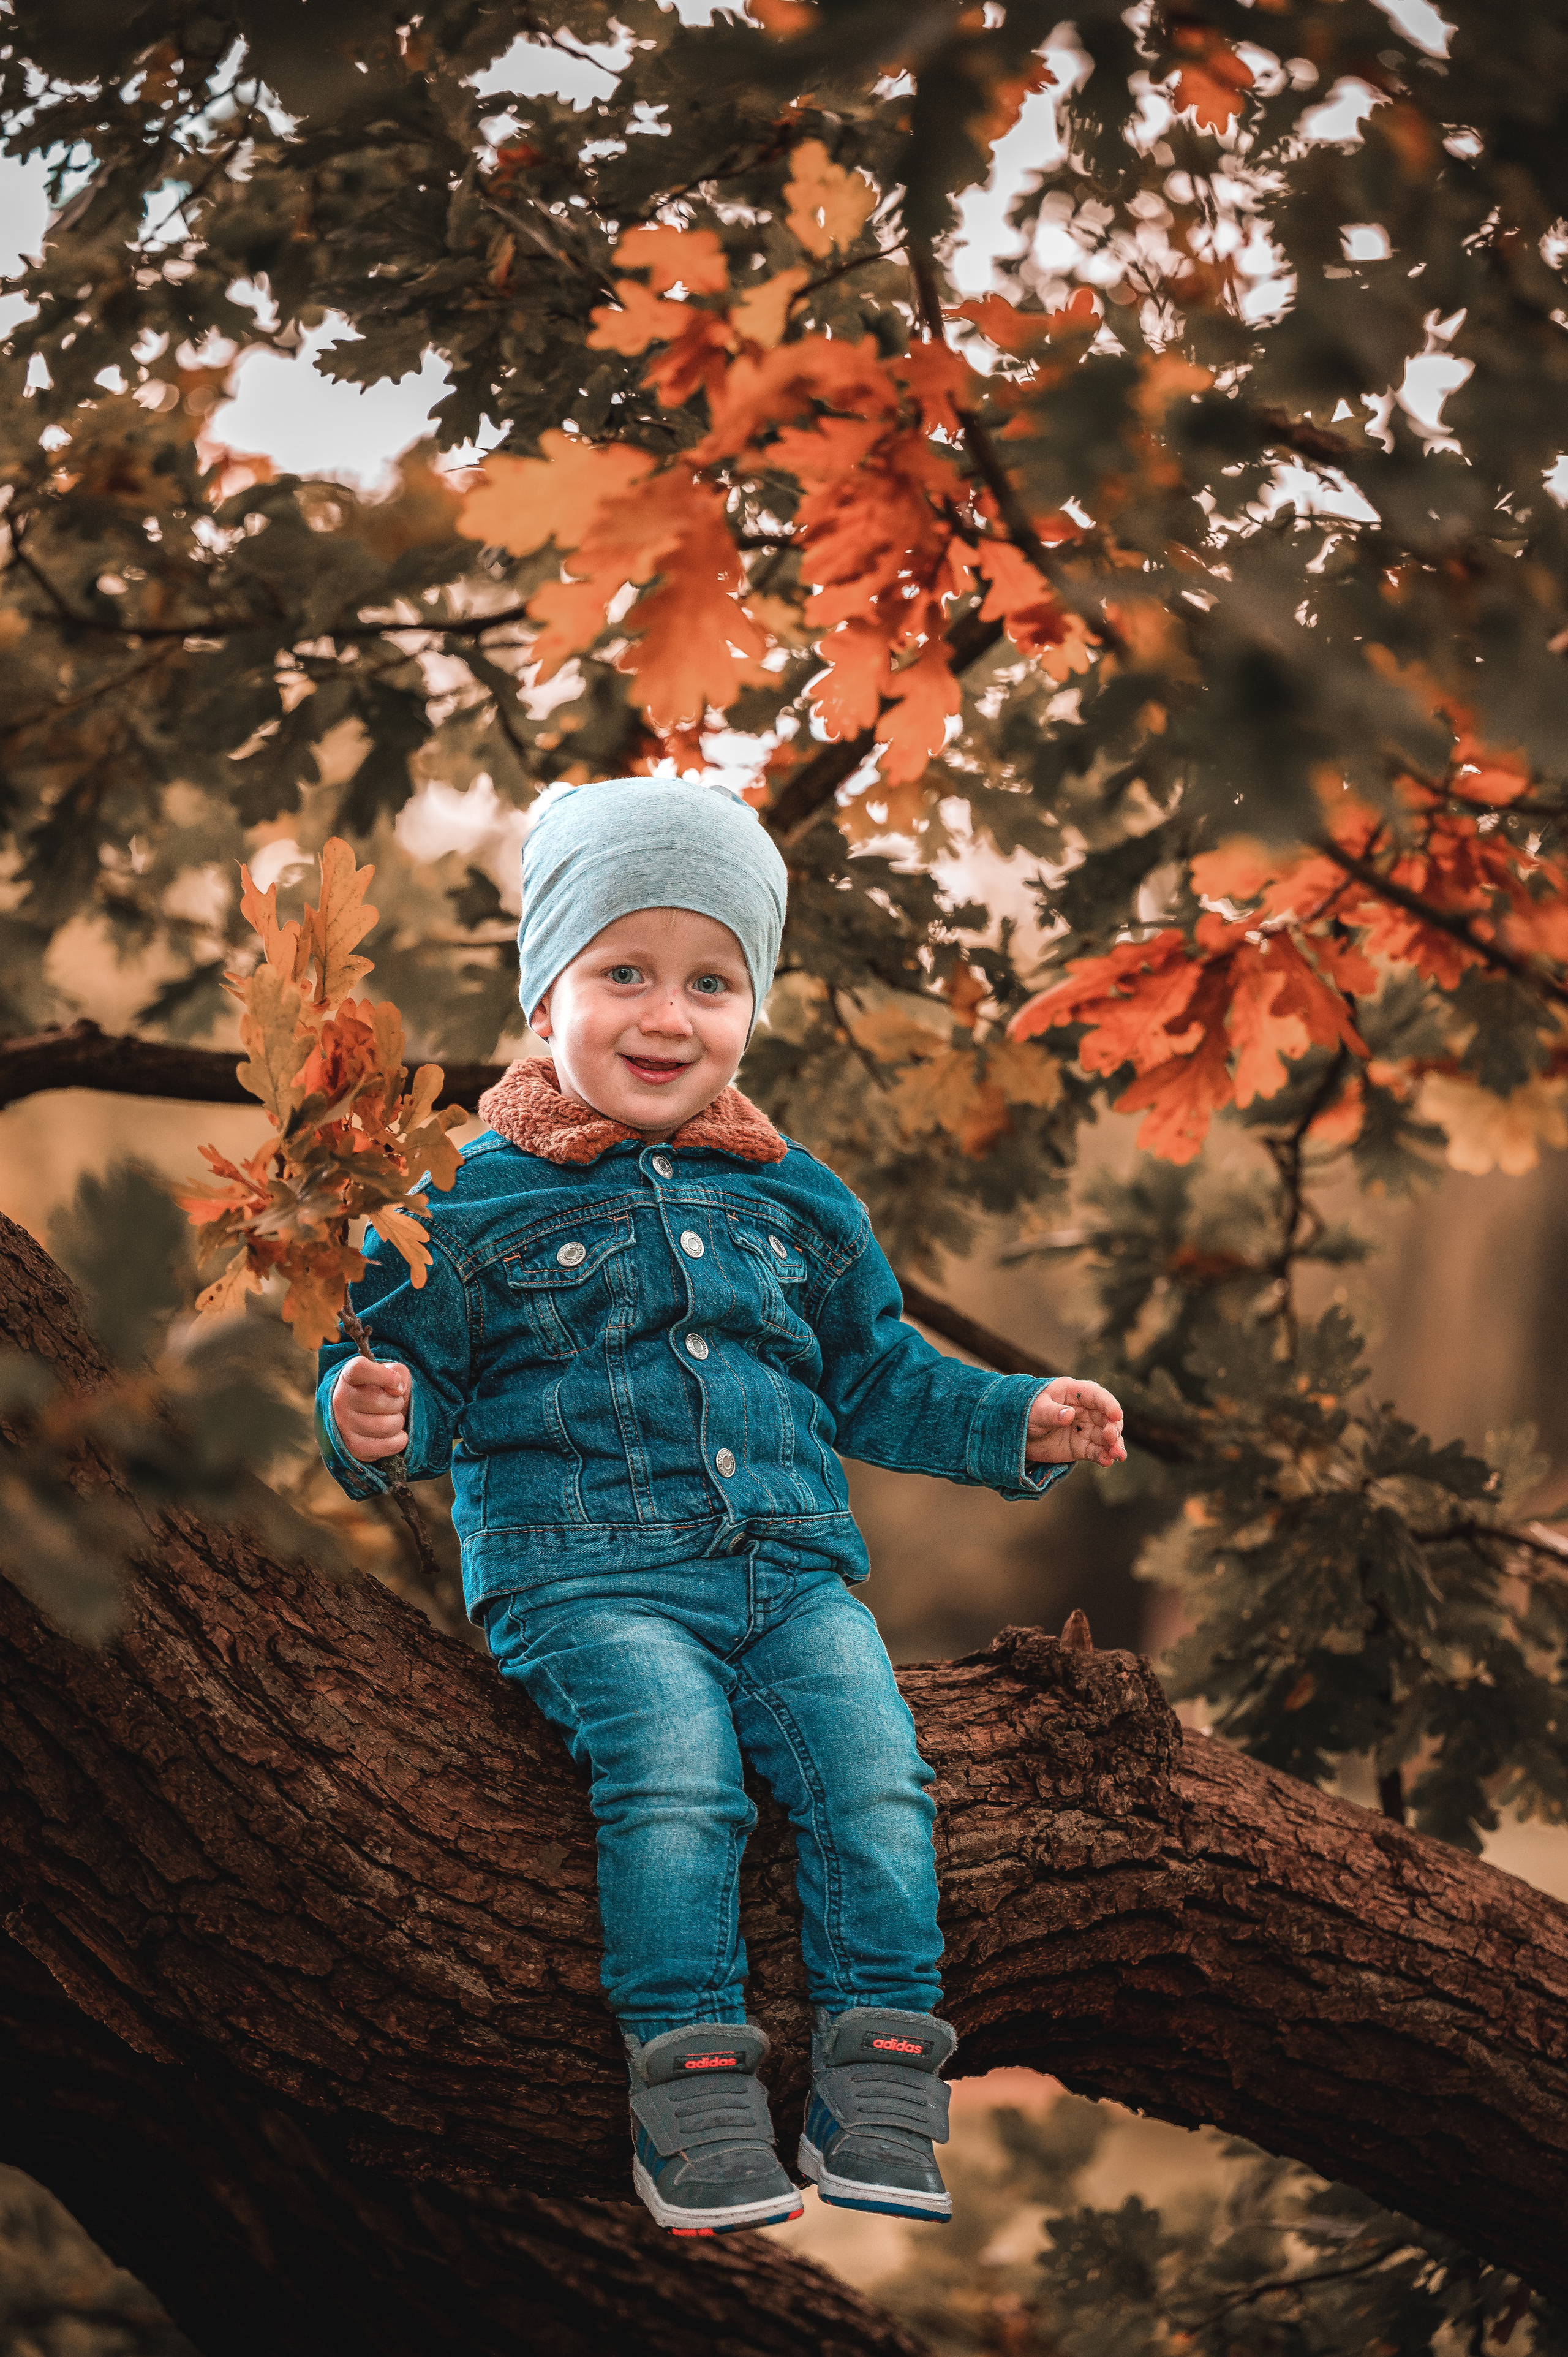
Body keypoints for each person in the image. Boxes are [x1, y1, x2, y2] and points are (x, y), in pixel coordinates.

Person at [315, 775, 1126, 2238]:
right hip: (585, 1584)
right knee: (680, 1773)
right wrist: (370, 1414)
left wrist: (1018, 1419)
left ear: (751, 1001)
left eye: (711, 980)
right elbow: (400, 1379)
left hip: (791, 1577)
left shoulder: (799, 1200)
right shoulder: (461, 1197)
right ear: (544, 988)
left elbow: (877, 1377)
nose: (664, 1016)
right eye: (622, 971)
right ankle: (689, 2085)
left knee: (872, 1776)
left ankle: (879, 2068)